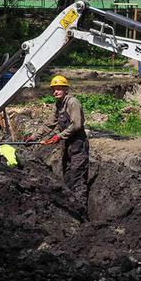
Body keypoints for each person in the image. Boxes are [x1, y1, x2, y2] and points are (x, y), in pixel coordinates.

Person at [25, 75, 89, 213]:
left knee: (77, 175)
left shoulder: (73, 103)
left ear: (66, 89)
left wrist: (58, 136)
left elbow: (76, 125)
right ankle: (70, 203)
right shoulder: (58, 104)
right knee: (67, 174)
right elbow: (49, 124)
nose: (55, 92)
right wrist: (34, 137)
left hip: (78, 143)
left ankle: (81, 209)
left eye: (59, 89)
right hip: (67, 144)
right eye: (54, 89)